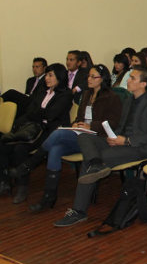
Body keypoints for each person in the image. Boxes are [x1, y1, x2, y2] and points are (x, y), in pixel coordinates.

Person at [53, 66, 147, 227]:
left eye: (133, 78)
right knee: (85, 136)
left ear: (143, 84)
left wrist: (125, 140)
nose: (128, 80)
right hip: (120, 141)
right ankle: (95, 164)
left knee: (95, 159)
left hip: (141, 147)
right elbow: (120, 125)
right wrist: (112, 137)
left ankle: (79, 211)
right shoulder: (128, 99)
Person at [9, 64, 122, 211]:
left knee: (57, 133)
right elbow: (80, 117)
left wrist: (90, 126)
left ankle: (29, 165)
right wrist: (76, 124)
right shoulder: (86, 94)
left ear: (102, 79)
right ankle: (48, 198)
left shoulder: (112, 97)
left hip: (97, 137)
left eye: (93, 77)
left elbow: (112, 123)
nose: (89, 79)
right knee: (55, 149)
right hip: (81, 135)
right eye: (89, 76)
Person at [0, 64, 73, 202]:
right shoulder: (42, 92)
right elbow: (30, 112)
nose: (47, 78)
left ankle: (22, 187)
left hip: (49, 132)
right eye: (46, 75)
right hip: (33, 127)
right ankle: (4, 181)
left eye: (50, 75)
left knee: (19, 148)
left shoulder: (66, 94)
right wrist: (40, 114)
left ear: (60, 77)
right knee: (3, 142)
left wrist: (38, 113)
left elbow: (52, 115)